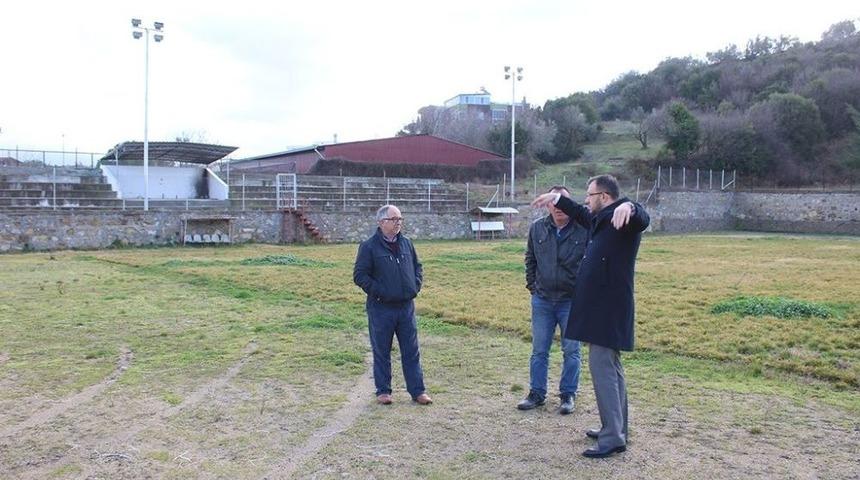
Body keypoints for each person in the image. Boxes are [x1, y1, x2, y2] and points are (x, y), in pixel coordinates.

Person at [532, 174, 649, 458]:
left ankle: (613, 438)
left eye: (589, 195)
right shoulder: (601, 219)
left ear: (605, 196)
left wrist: (631, 206)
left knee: (604, 372)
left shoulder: (622, 218)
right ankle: (616, 428)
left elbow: (642, 220)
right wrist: (557, 198)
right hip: (601, 310)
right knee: (612, 371)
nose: (586, 200)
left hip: (608, 311)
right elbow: (580, 212)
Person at [353, 205, 432, 406]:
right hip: (381, 308)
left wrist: (415, 286)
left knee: (411, 351)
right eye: (394, 219)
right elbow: (360, 276)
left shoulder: (407, 244)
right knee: (382, 350)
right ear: (381, 222)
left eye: (400, 219)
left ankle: (418, 391)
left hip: (406, 307)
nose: (398, 222)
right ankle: (383, 391)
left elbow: (417, 267)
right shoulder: (369, 247)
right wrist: (381, 291)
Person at [518, 186, 587, 414]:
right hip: (543, 300)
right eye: (553, 202)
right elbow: (530, 259)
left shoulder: (583, 229)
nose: (558, 207)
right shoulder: (537, 228)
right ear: (547, 205)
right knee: (539, 351)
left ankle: (568, 395)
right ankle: (536, 394)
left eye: (562, 201)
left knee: (572, 351)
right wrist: (533, 286)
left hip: (572, 301)